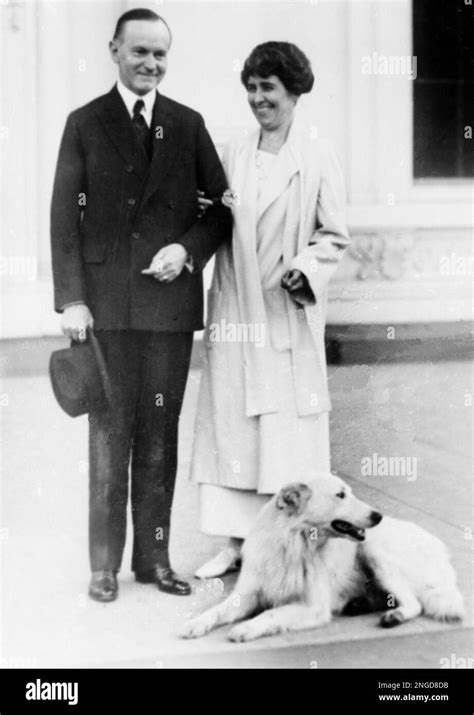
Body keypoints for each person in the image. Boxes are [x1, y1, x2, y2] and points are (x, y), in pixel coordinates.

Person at [50, 9, 231, 601]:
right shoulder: (84, 123)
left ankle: (154, 559)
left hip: (168, 311)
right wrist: (72, 300)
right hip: (104, 313)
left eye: (160, 54)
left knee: (159, 437)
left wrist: (187, 248)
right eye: (139, 52)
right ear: (114, 50)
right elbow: (62, 219)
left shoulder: (187, 123)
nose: (150, 63)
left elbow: (222, 208)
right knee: (109, 436)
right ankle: (104, 566)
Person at [190, 41, 350, 579]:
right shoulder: (231, 150)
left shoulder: (317, 156)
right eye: (252, 88)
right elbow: (208, 215)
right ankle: (234, 543)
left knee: (285, 434)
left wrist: (305, 267)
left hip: (284, 312)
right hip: (237, 308)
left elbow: (334, 236)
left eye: (269, 89)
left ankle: (294, 542)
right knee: (233, 430)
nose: (259, 99)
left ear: (294, 93)